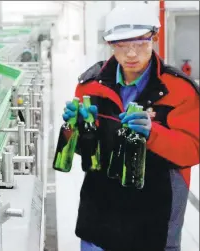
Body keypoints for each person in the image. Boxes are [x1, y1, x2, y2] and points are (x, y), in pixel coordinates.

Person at [62, 3, 200, 251]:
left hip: (155, 215)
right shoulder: (90, 86)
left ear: (154, 38)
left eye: (140, 43)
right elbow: (86, 153)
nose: (132, 54)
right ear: (110, 44)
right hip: (100, 212)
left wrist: (154, 134)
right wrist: (78, 128)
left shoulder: (179, 89)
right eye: (122, 45)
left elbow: (192, 150)